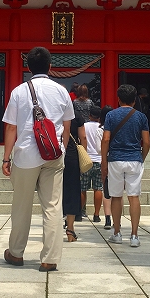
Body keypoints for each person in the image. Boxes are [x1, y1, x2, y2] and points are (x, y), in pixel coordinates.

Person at [2, 46, 74, 272]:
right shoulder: (61, 91)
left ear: (28, 67)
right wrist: (60, 148)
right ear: (50, 66)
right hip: (53, 154)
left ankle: (16, 253)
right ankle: (50, 258)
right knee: (52, 206)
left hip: (25, 156)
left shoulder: (18, 92)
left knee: (21, 206)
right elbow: (66, 126)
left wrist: (6, 158)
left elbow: (11, 128)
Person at [101, 84, 150, 248]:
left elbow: (106, 139)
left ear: (118, 99)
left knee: (116, 196)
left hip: (115, 159)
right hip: (134, 158)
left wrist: (104, 160)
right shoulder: (141, 117)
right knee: (134, 196)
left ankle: (117, 233)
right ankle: (134, 235)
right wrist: (141, 157)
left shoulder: (110, 115)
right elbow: (147, 142)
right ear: (135, 100)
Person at [65, 84, 92, 230]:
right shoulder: (82, 113)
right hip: (73, 153)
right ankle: (73, 222)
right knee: (73, 187)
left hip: (59, 154)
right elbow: (83, 138)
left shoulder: (60, 115)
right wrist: (84, 154)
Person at [80, 105, 106, 225]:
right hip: (99, 160)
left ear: (89, 115)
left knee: (82, 188)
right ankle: (96, 214)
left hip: (86, 160)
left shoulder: (84, 126)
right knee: (98, 188)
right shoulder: (103, 127)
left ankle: (81, 211)